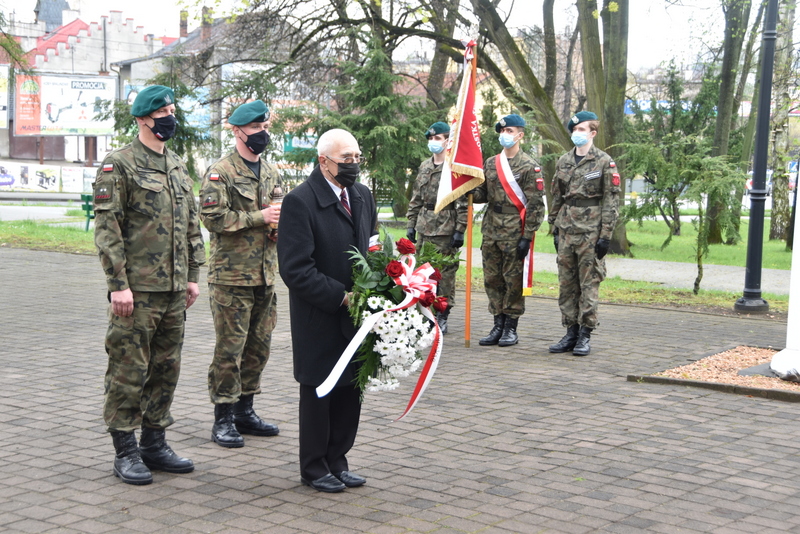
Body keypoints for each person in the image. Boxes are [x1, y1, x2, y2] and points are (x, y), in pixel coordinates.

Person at [93, 85, 206, 485]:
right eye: (163, 112)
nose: (170, 117)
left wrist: (193, 276)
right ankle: (125, 449)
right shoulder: (118, 164)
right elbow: (108, 230)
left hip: (175, 290)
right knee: (128, 368)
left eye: (173, 110)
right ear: (143, 118)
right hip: (137, 291)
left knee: (166, 368)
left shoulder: (176, 165)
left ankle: (154, 442)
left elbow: (192, 225)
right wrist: (117, 284)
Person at [278, 128, 378, 493]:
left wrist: (384, 285)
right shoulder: (300, 201)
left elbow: (372, 246)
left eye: (356, 158)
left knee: (352, 388)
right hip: (320, 315)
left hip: (358, 317)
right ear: (323, 161)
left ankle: (339, 460)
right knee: (321, 390)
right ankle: (314, 466)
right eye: (345, 159)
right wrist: (342, 296)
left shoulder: (363, 195)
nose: (353, 165)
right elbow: (295, 269)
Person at [199, 99, 281, 448]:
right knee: (229, 349)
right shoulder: (221, 172)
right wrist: (258, 219)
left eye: (265, 128)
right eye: (256, 129)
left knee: (258, 347)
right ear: (237, 131)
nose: (262, 134)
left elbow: (279, 211)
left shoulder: (272, 171)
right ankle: (223, 417)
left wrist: (280, 226)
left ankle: (246, 410)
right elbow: (212, 219)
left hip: (265, 274)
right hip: (231, 276)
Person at [548, 111, 620, 356]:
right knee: (566, 283)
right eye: (574, 130)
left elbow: (611, 200)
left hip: (591, 231)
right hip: (567, 228)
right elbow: (556, 195)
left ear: (593, 133)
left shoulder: (604, 162)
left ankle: (585, 334)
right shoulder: (564, 161)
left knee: (588, 283)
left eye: (582, 129)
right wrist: (554, 227)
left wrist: (606, 235)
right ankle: (570, 332)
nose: (577, 134)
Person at [472, 114, 545, 347]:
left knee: (512, 280)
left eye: (510, 131)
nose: (505, 135)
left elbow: (535, 205)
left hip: (515, 229)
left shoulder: (529, 166)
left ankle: (511, 327)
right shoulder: (491, 163)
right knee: (492, 279)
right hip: (492, 228)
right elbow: (483, 195)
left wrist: (528, 236)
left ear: (520, 135)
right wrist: (467, 187)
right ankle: (497, 324)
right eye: (502, 132)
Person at [406, 121, 467, 334]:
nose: (433, 142)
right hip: (425, 224)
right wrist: (411, 224)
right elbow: (415, 198)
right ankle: (426, 312)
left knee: (445, 273)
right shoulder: (425, 166)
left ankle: (443, 313)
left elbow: (461, 202)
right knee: (423, 272)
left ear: (448, 141)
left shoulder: (454, 168)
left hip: (446, 226)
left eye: (438, 138)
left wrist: (460, 229)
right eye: (431, 139)